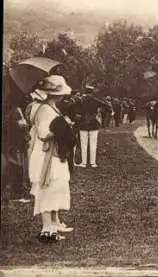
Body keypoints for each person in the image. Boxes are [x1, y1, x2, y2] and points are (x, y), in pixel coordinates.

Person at [27, 75, 74, 243]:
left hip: (54, 154)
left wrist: (64, 125)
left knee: (56, 187)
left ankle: (53, 225)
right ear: (56, 94)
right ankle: (47, 228)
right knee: (48, 188)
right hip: (47, 155)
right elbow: (43, 133)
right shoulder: (45, 109)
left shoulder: (51, 107)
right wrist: (60, 129)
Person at [75, 85, 110, 168]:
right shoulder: (95, 100)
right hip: (93, 123)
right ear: (92, 92)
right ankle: (93, 163)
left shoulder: (80, 101)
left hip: (83, 124)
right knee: (93, 143)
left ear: (85, 92)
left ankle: (83, 163)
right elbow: (107, 107)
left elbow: (75, 110)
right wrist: (99, 112)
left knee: (83, 144)